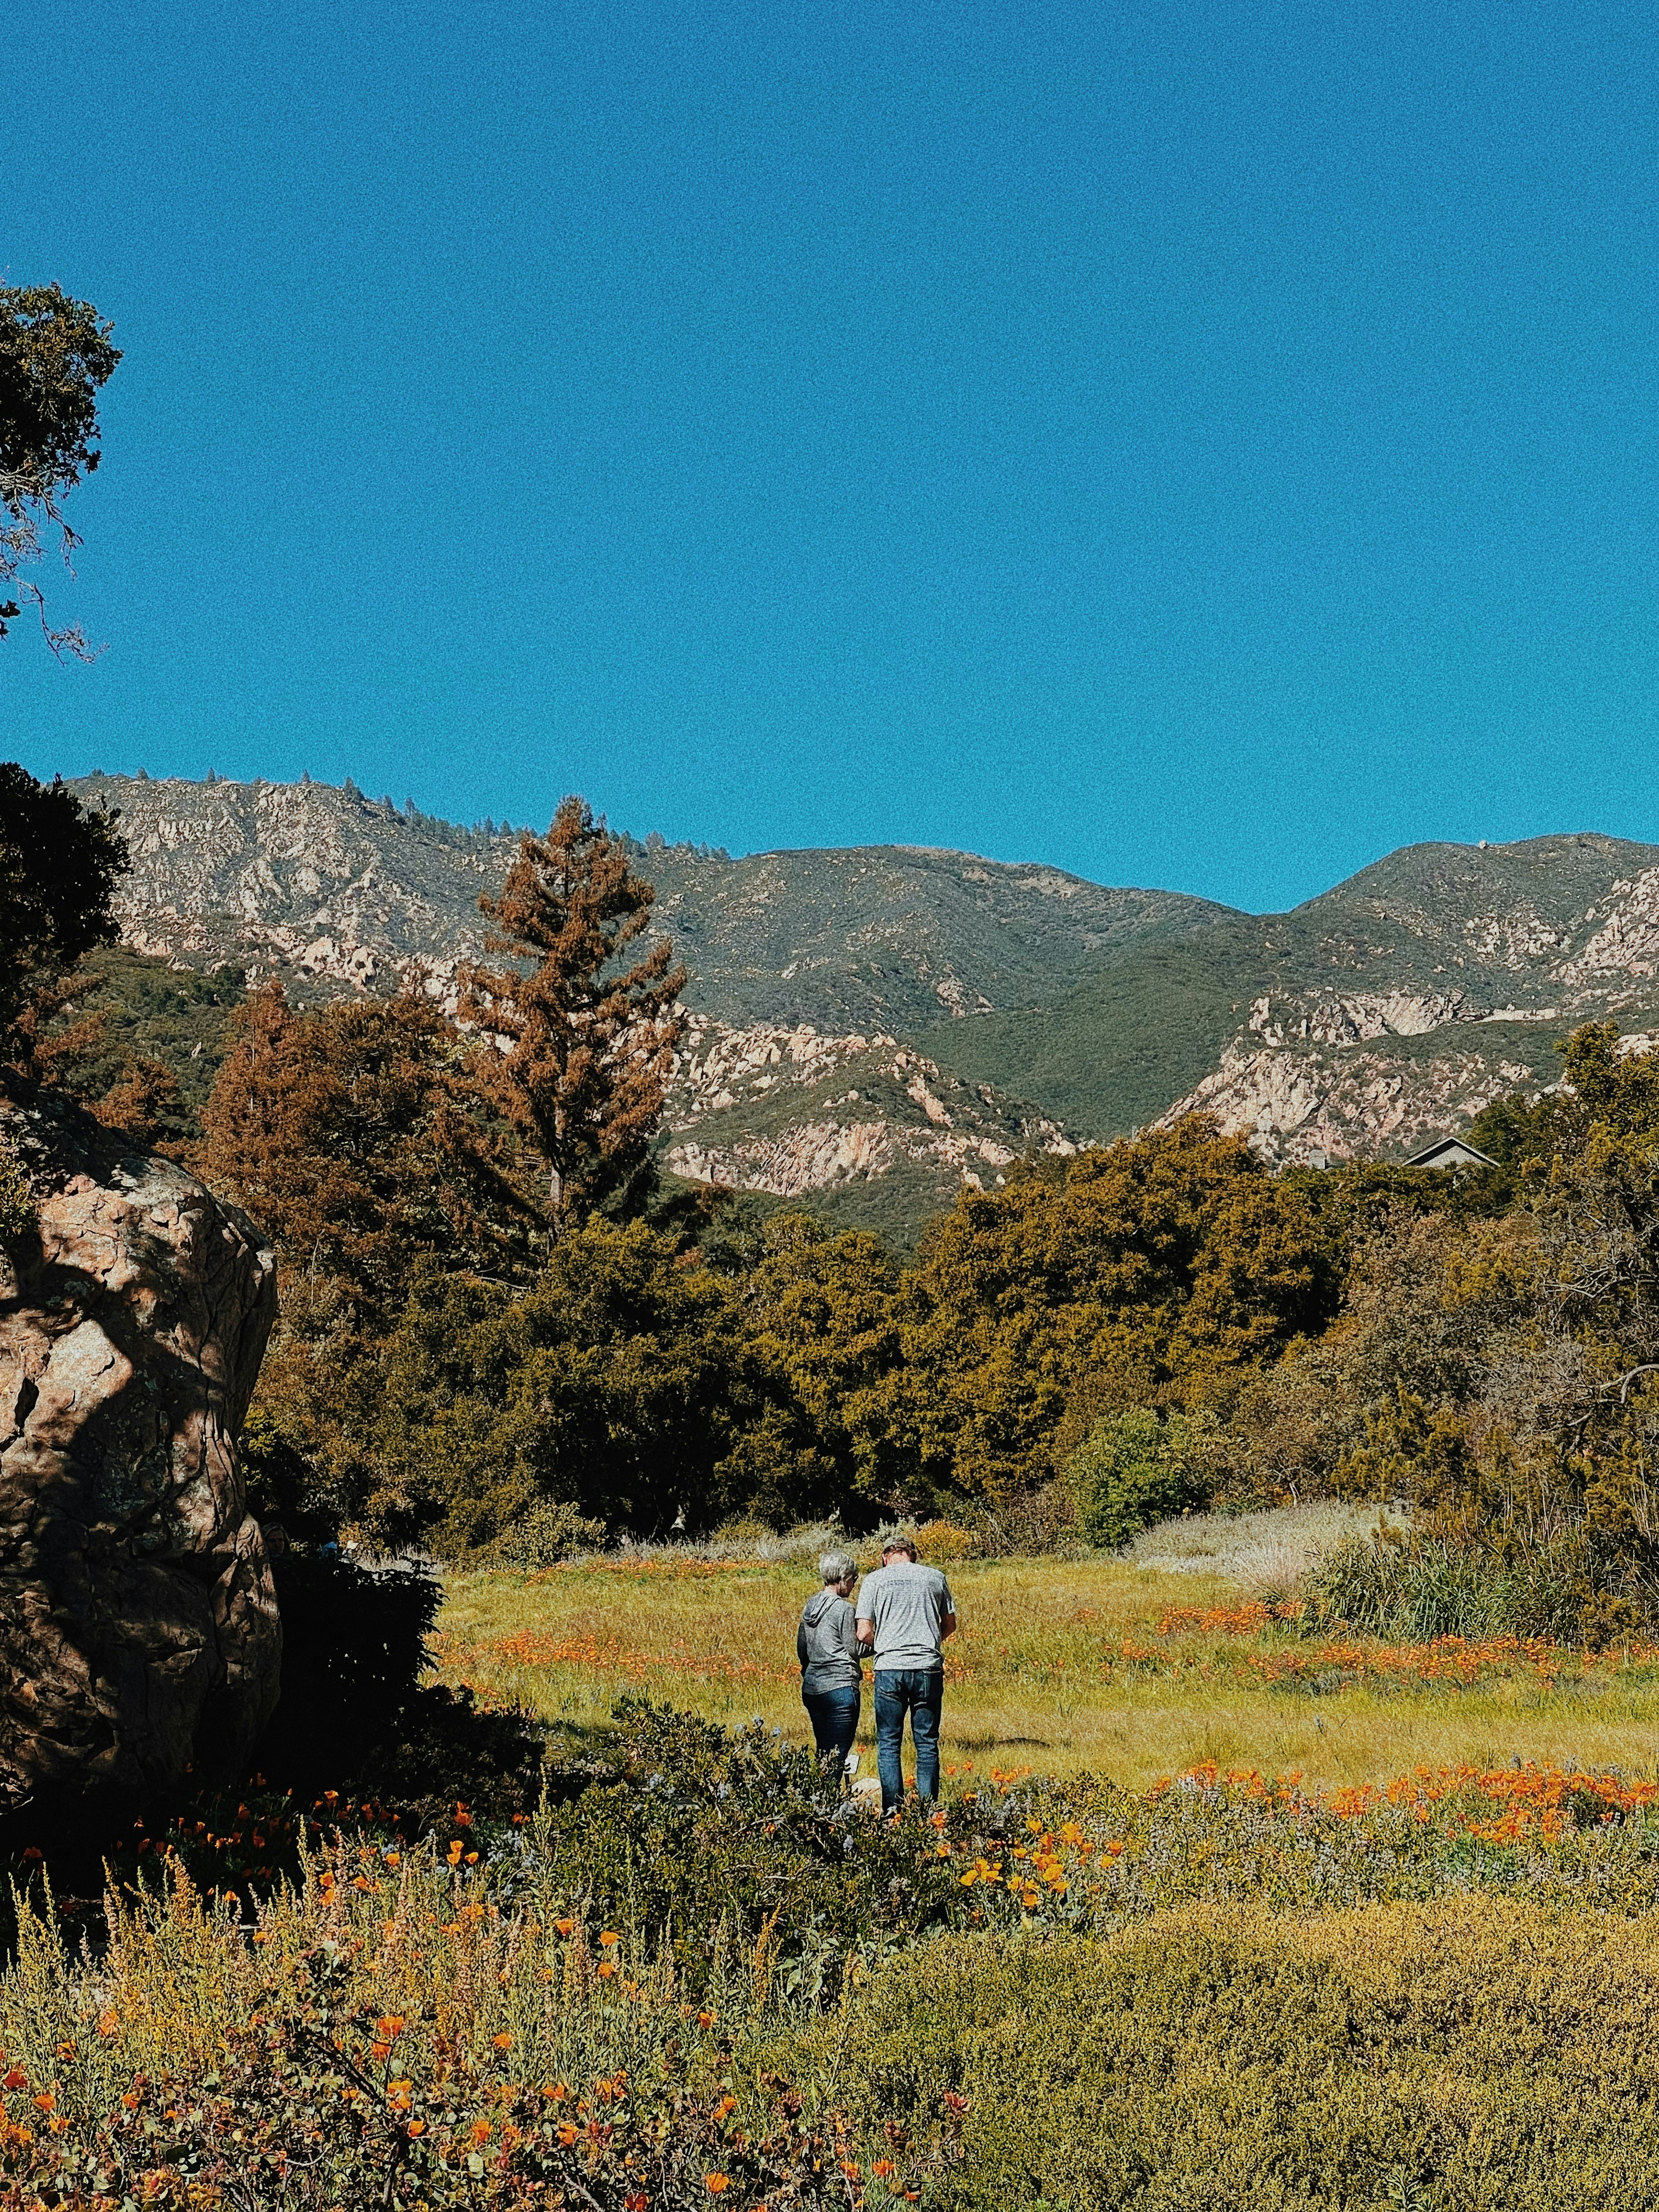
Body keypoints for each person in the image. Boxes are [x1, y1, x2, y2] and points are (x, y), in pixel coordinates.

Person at [856, 1536, 956, 1815]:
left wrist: (887, 1645)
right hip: (927, 1667)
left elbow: (863, 1632)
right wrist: (928, 1643)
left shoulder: (874, 1580)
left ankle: (893, 1812)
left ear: (886, 1557)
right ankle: (928, 1813)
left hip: (889, 1668)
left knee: (889, 1742)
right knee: (926, 1741)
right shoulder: (936, 1577)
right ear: (913, 1556)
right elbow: (950, 1624)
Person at [796, 1550, 864, 1774]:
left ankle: (817, 1801)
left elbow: (802, 1648)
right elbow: (855, 1648)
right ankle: (830, 1805)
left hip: (813, 1689)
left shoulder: (810, 1606)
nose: (854, 1584)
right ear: (843, 1579)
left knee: (823, 1752)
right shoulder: (844, 1609)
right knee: (836, 1757)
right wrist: (878, 1641)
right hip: (840, 1688)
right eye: (854, 1578)